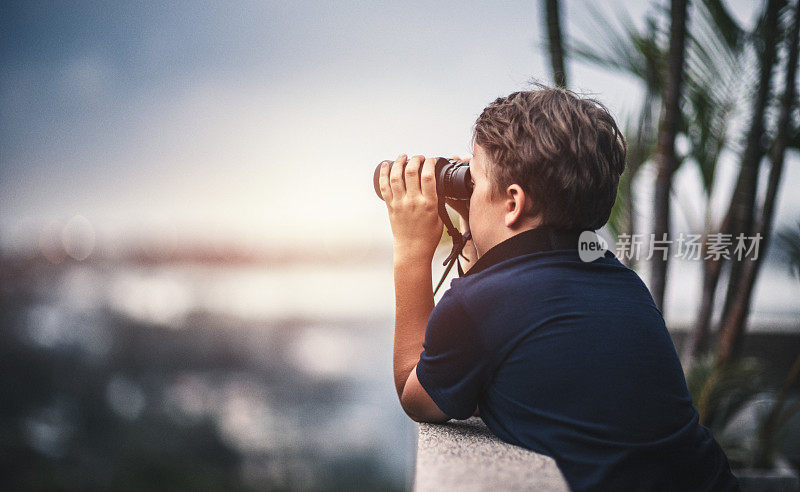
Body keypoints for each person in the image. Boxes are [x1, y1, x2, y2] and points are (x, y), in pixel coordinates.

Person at [377, 86, 739, 491]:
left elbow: (416, 393)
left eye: (472, 182)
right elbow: (496, 325)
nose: (467, 191)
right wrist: (474, 223)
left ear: (513, 203)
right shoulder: (622, 283)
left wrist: (410, 251)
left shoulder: (479, 305)